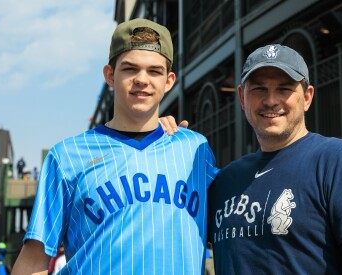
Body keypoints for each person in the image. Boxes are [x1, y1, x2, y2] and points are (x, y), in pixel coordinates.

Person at [160, 44, 342, 274]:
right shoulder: (226, 181)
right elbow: (171, 230)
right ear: (242, 98)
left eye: (284, 89)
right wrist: (159, 145)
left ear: (307, 97)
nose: (271, 101)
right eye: (259, 89)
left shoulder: (339, 161)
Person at [11, 18, 218, 274]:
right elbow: (34, 260)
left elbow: (230, 231)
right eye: (130, 69)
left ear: (169, 81)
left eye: (154, 71)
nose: (142, 79)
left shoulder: (195, 149)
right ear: (110, 75)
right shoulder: (66, 157)